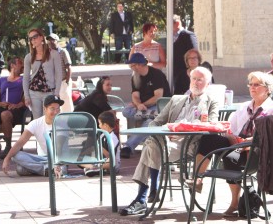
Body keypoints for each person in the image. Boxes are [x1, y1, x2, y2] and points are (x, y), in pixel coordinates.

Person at [119, 67, 219, 216]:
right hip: (165, 143)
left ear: (208, 84)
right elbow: (155, 122)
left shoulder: (211, 102)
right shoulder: (176, 99)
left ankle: (144, 195)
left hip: (188, 146)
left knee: (150, 146)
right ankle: (147, 193)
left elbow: (212, 125)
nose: (196, 82)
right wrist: (166, 131)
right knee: (152, 143)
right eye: (193, 79)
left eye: (200, 80)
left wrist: (181, 130)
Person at [189, 71, 273, 217]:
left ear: (267, 89)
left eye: (257, 85)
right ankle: (198, 178)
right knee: (209, 140)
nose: (252, 87)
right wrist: (232, 137)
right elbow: (230, 128)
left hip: (258, 153)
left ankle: (236, 201)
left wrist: (251, 141)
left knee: (230, 155)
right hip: (238, 147)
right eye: (250, 84)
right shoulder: (243, 107)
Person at [121, 53, 171, 159]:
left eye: (133, 65)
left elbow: (158, 97)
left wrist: (142, 105)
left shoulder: (156, 74)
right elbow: (135, 95)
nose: (131, 67)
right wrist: (138, 104)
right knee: (126, 111)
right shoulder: (135, 77)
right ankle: (148, 115)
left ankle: (128, 147)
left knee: (149, 123)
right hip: (144, 108)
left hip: (158, 106)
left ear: (140, 65)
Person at [2, 95, 65, 177]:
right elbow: (20, 143)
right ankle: (46, 170)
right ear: (45, 109)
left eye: (58, 109)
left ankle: (42, 169)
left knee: (21, 169)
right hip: (41, 159)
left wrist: (56, 164)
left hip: (58, 159)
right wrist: (7, 159)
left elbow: (60, 150)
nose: (56, 112)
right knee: (16, 155)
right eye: (52, 109)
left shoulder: (63, 123)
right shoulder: (36, 123)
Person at [0, 57, 26, 159]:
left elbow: (26, 99)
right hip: (1, 108)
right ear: (12, 65)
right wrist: (1, 104)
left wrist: (17, 105)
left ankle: (8, 147)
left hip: (16, 110)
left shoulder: (24, 80)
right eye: (20, 62)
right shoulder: (2, 80)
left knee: (5, 114)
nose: (23, 65)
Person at [23, 28, 62, 119]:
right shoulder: (29, 57)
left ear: (41, 37)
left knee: (49, 119)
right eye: (31, 38)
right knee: (38, 120)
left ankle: (48, 134)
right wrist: (26, 96)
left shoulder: (54, 54)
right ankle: (39, 134)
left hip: (49, 92)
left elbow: (58, 74)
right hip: (34, 92)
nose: (33, 40)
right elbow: (26, 77)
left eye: (35, 37)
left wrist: (56, 92)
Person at [82, 111, 121, 177]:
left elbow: (110, 156)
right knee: (81, 159)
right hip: (101, 160)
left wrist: (99, 147)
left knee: (109, 163)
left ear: (105, 125)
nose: (99, 126)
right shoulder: (102, 135)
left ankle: (96, 168)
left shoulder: (113, 138)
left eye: (100, 123)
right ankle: (94, 168)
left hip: (112, 164)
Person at [47, 33, 74, 112]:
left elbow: (69, 67)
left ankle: (69, 121)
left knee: (66, 104)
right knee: (55, 105)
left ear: (57, 41)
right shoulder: (48, 54)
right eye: (49, 40)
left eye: (52, 40)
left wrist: (67, 81)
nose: (50, 42)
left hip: (63, 81)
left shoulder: (63, 52)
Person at [173, 15, 198, 88]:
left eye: (170, 25)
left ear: (177, 24)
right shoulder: (171, 37)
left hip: (186, 74)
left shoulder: (188, 35)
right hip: (175, 73)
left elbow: (194, 53)